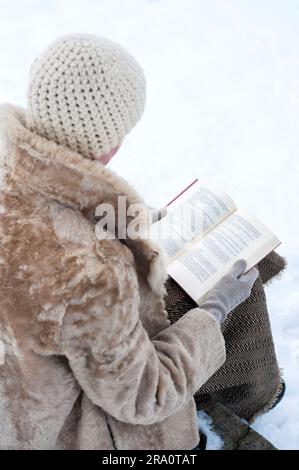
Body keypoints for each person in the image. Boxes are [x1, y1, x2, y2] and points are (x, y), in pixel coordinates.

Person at [0, 33, 258, 450]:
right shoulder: (90, 271)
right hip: (64, 432)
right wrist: (213, 312)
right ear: (109, 142)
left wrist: (130, 223)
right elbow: (143, 396)